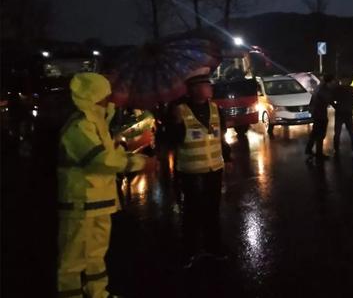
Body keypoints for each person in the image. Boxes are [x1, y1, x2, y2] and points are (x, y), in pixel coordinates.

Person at [57, 72, 156, 298]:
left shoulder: (97, 123)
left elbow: (108, 154)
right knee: (72, 261)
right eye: (105, 94)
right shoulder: (79, 126)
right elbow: (101, 160)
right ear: (94, 96)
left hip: (99, 203)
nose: (110, 98)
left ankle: (98, 293)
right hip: (80, 204)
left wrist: (129, 145)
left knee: (95, 256)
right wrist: (140, 162)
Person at [168, 67, 231, 268]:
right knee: (192, 212)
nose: (209, 87)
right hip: (190, 171)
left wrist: (227, 157)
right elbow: (172, 141)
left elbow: (221, 136)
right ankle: (190, 251)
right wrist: (174, 123)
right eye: (205, 84)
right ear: (192, 89)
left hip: (214, 169)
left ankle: (213, 247)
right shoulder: (179, 110)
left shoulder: (216, 109)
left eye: (208, 84)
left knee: (212, 210)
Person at [305, 74, 334, 160]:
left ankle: (309, 149)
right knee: (320, 134)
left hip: (316, 112)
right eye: (332, 81)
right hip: (320, 113)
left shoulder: (319, 87)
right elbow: (328, 100)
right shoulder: (324, 89)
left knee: (315, 132)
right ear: (329, 81)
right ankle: (319, 154)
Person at [331, 78, 353, 156]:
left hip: (339, 112)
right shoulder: (351, 89)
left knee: (337, 132)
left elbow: (332, 99)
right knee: (351, 132)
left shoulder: (337, 89)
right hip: (348, 112)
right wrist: (351, 107)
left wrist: (336, 106)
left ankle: (336, 149)